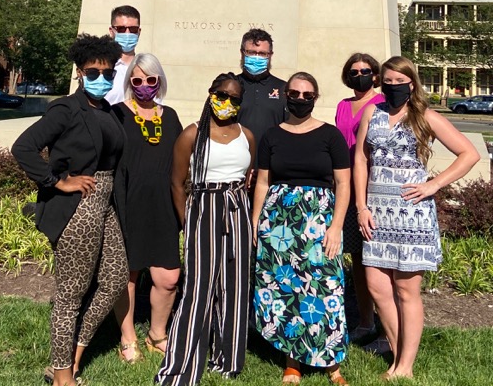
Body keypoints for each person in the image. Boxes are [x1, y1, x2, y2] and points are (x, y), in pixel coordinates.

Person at [11, 34, 129, 386]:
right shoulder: (67, 108)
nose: (101, 79)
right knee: (70, 295)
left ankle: (73, 355)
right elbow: (24, 147)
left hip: (105, 204)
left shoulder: (107, 110)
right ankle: (63, 377)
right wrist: (57, 181)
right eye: (93, 72)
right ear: (80, 72)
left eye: (108, 74)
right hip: (78, 206)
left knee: (114, 279)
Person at [354, 55, 480, 380]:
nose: (394, 87)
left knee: (406, 290)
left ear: (412, 83)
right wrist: (361, 207)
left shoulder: (425, 116)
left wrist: (434, 184)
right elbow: (360, 160)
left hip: (412, 215)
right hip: (376, 215)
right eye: (388, 82)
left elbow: (469, 153)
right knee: (377, 288)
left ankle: (404, 367)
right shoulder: (372, 112)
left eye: (400, 82)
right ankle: (398, 358)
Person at [156, 73, 255, 386]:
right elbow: (176, 182)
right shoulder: (192, 134)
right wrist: (188, 220)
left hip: (237, 208)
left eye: (234, 99)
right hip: (203, 208)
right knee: (198, 290)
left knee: (235, 286)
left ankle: (226, 360)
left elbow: (248, 175)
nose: (227, 102)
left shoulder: (247, 135)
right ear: (211, 93)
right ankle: (181, 366)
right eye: (222, 95)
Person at [253, 72, 351, 386]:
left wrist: (336, 226)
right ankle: (292, 361)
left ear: (315, 98)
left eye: (307, 95)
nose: (300, 99)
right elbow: (263, 182)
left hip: (319, 221)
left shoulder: (330, 135)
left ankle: (331, 363)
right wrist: (256, 222)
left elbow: (344, 183)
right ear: (285, 95)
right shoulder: (272, 135)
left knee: (326, 287)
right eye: (294, 93)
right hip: (279, 223)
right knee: (286, 291)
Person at [113, 53, 182, 362]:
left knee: (168, 278)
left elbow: (184, 163)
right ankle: (127, 338)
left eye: (150, 80)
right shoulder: (116, 114)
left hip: (163, 207)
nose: (143, 86)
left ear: (159, 81)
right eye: (137, 80)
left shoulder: (171, 116)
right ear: (130, 82)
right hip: (127, 205)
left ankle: (157, 334)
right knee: (127, 276)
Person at [335, 53, 388, 352]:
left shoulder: (381, 104)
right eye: (354, 71)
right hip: (345, 187)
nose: (360, 76)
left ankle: (385, 327)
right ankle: (365, 321)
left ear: (375, 75)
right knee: (355, 259)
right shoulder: (343, 106)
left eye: (365, 71)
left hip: (373, 188)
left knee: (375, 261)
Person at [237, 28, 287, 165]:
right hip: (236, 167)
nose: (257, 57)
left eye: (262, 53)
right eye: (251, 52)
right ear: (242, 53)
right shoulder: (231, 87)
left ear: (270, 55)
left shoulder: (284, 89)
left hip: (271, 166)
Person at [106, 4, 141, 104]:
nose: (127, 33)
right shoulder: (102, 68)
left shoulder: (146, 69)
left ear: (139, 32)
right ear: (111, 31)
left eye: (133, 29)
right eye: (121, 29)